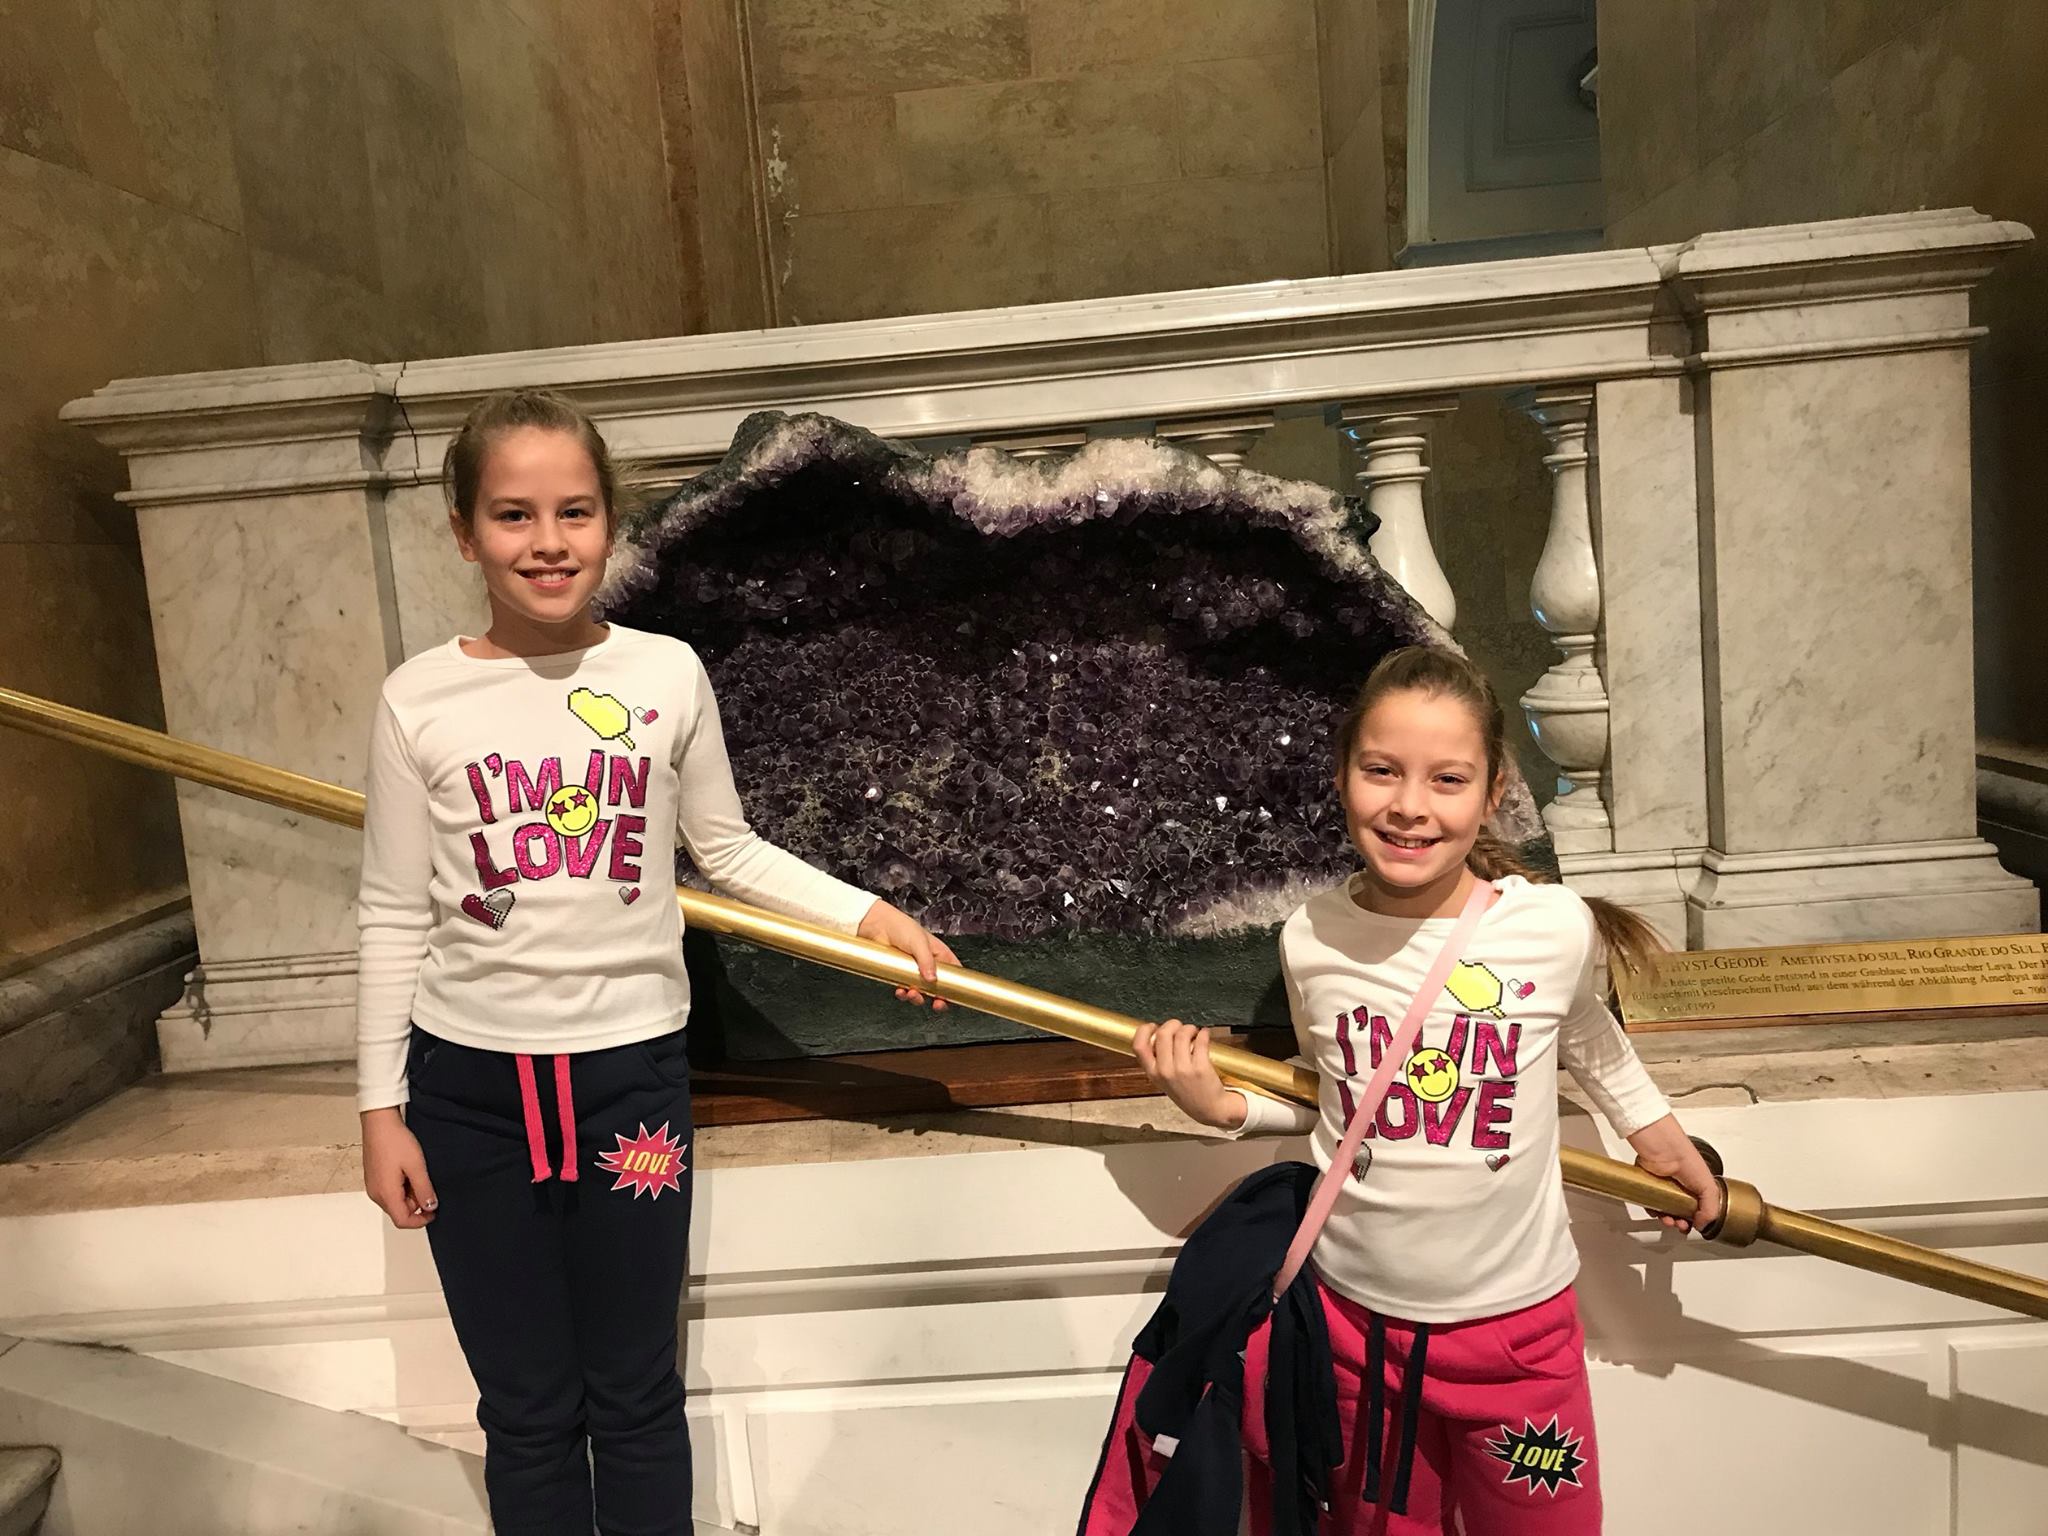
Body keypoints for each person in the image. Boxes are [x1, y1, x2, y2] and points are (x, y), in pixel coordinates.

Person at [354, 388, 953, 1535]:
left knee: (634, 1396)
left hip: (627, 1082)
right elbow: (389, 910)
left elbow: (726, 850)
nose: (547, 542)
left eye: (573, 512)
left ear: (610, 521)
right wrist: (380, 1108)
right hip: (469, 1096)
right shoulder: (417, 699)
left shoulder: (665, 674)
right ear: (464, 531)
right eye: (514, 515)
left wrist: (863, 914)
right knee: (525, 1409)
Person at [1126, 645, 1722, 1535]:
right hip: (1354, 1339)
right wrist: (1223, 1108)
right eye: (1382, 771)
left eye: (1448, 779)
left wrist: (1658, 1138)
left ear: (1492, 792)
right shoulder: (1311, 936)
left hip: (1520, 1343)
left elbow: (1586, 1031)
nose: (1410, 805)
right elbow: (1338, 1094)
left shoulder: (1552, 926)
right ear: (1342, 776)